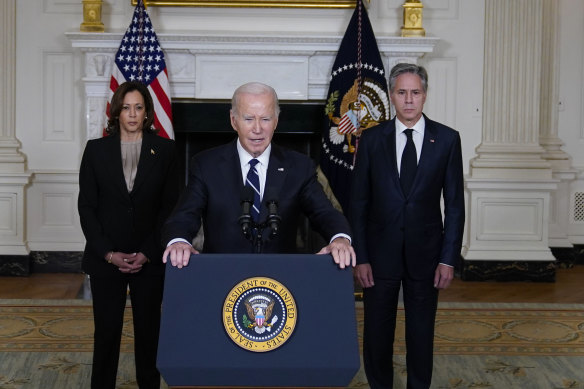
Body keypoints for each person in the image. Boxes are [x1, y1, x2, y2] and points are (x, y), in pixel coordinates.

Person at [349, 63, 465, 389]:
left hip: (427, 257)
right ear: (391, 95)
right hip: (378, 257)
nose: (409, 100)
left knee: (421, 335)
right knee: (376, 335)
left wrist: (448, 258)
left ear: (425, 95)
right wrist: (361, 256)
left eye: (415, 92)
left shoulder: (446, 140)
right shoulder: (370, 140)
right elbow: (358, 203)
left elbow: (455, 206)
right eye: (402, 92)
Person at [161, 81, 355, 269]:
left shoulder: (299, 166)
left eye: (265, 119)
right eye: (248, 119)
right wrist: (179, 242)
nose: (257, 129)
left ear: (276, 121)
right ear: (233, 120)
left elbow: (325, 213)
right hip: (222, 276)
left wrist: (339, 238)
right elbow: (183, 217)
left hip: (280, 280)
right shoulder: (206, 165)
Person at [78, 81, 179, 389]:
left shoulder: (165, 150)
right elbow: (87, 208)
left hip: (149, 260)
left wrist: (148, 251)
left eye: (138, 107)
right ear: (117, 111)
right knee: (106, 333)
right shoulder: (96, 150)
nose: (132, 114)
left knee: (149, 333)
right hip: (106, 259)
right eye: (126, 107)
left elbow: (170, 208)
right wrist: (108, 253)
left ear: (147, 111)